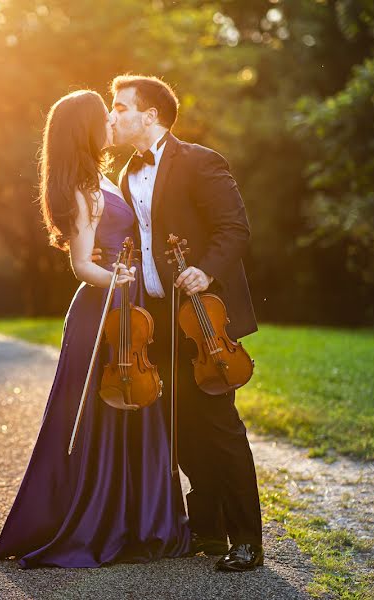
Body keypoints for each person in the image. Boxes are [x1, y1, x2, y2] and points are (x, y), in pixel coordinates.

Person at [0, 89, 190, 568]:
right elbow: (82, 264)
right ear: (86, 127)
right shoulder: (81, 188)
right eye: (106, 115)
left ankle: (140, 521)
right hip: (103, 309)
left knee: (136, 403)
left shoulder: (105, 177)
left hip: (130, 303)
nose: (113, 120)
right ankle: (99, 522)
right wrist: (117, 278)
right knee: (100, 412)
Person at [107, 74, 263, 572]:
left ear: (150, 114)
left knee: (219, 427)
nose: (115, 115)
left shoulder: (200, 161)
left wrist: (206, 269)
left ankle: (247, 540)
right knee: (179, 429)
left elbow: (235, 229)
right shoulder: (125, 176)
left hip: (202, 319)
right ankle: (209, 530)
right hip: (155, 322)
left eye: (121, 107)